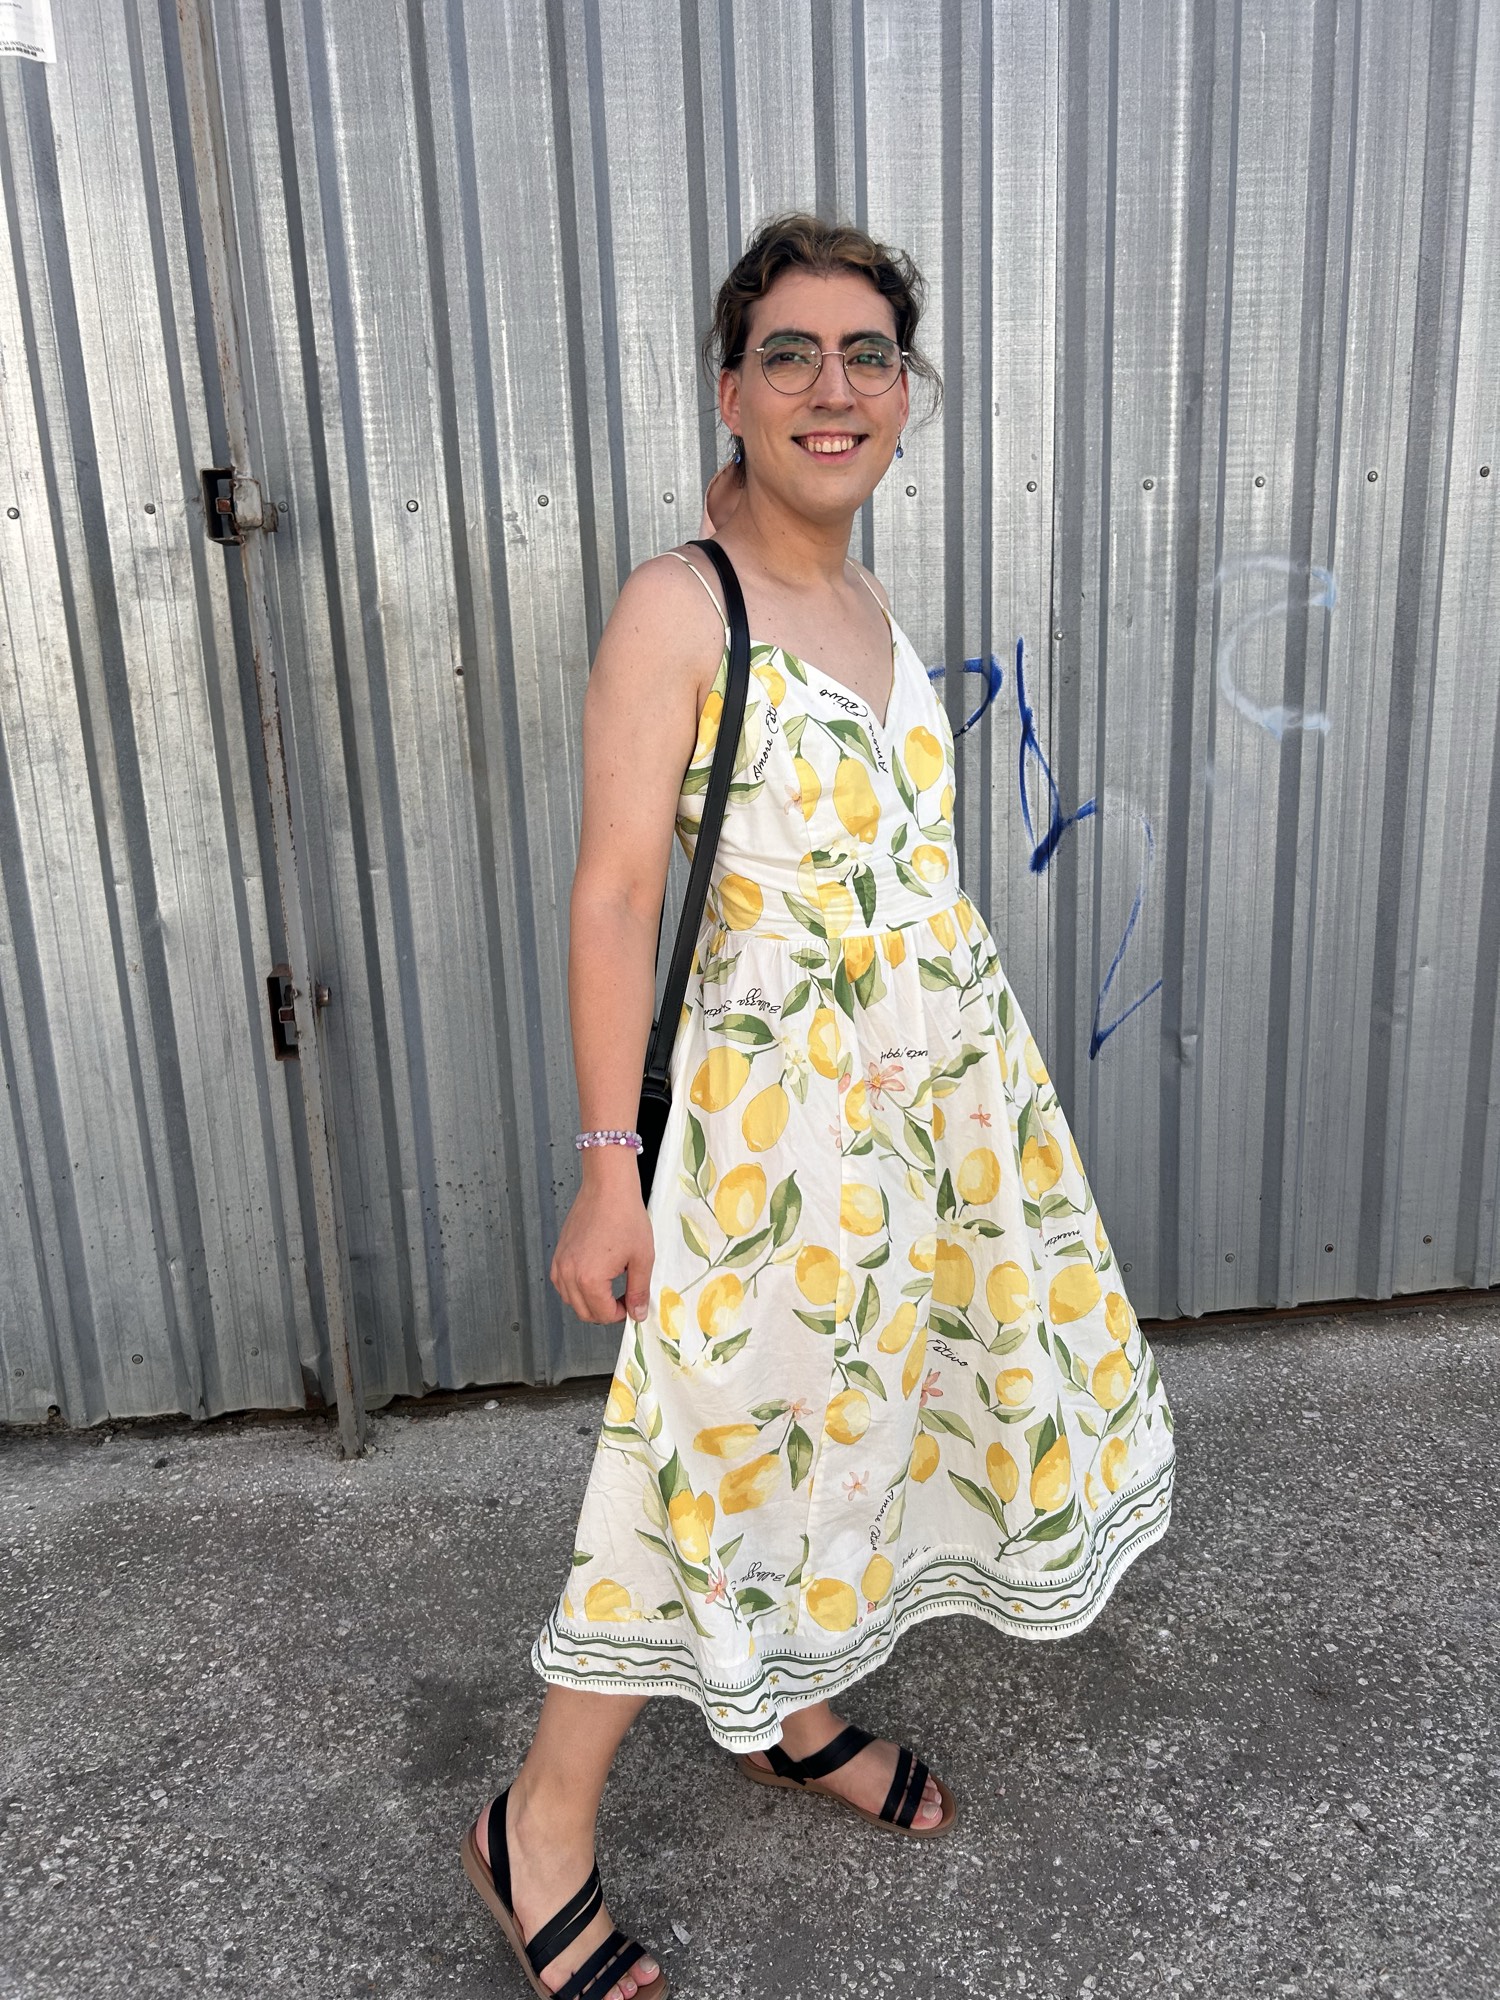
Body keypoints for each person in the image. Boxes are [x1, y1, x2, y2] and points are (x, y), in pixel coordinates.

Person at [462, 211, 1177, 2000]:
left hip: (928, 1110)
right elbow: (615, 896)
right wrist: (607, 1170)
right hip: (769, 1128)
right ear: (733, 391)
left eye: (870, 356)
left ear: (904, 396)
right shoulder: (680, 603)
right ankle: (537, 1823)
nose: (833, 388)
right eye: (791, 354)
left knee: (858, 1419)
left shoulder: (859, 598)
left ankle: (786, 1710)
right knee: (706, 1449)